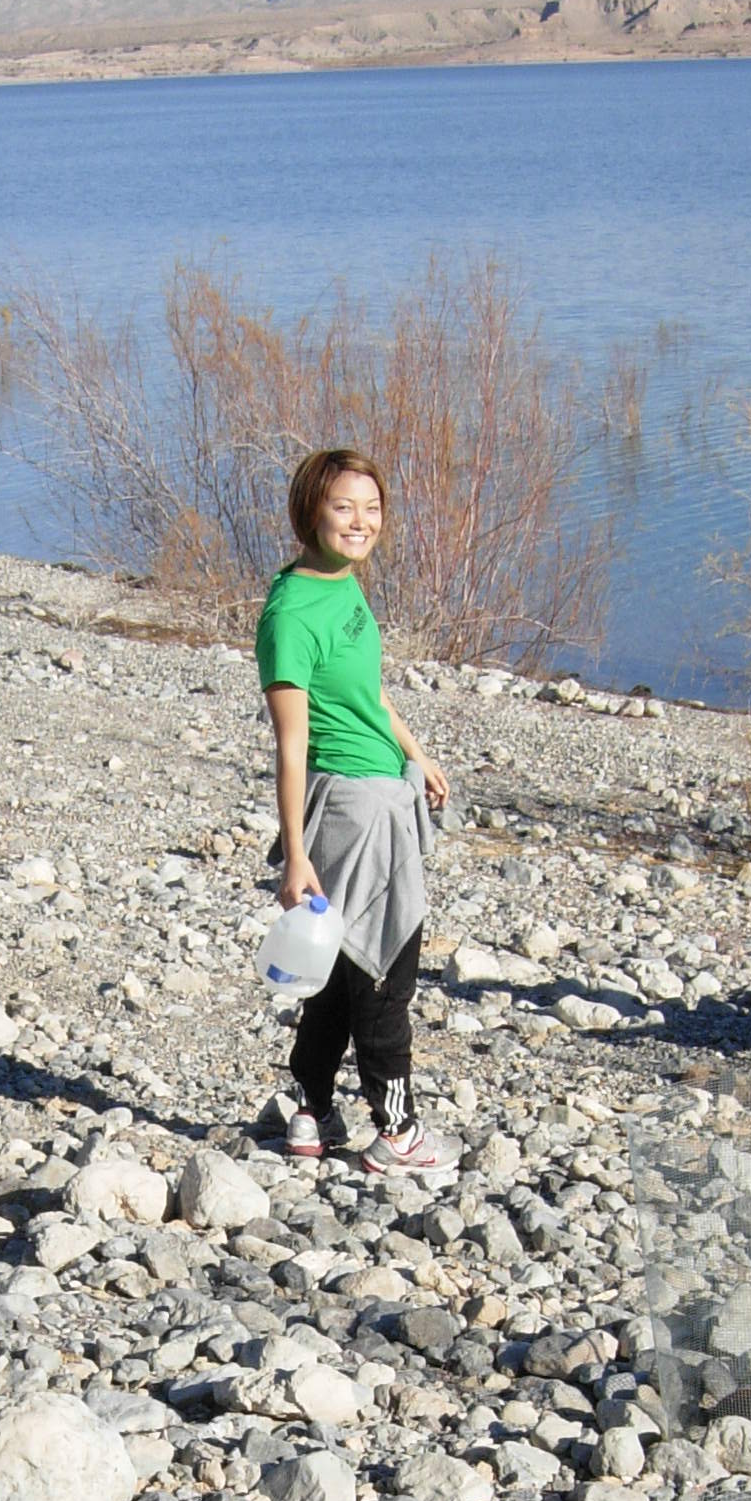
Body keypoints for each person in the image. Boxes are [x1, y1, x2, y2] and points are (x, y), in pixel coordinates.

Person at [256, 446, 454, 1180]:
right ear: (311, 510)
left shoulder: (342, 584)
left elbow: (366, 693)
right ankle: (396, 1131)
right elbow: (290, 744)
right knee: (384, 967)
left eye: (371, 509)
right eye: (344, 507)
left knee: (338, 967)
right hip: (352, 806)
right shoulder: (291, 613)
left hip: (380, 787)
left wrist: (416, 749)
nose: (361, 522)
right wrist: (296, 854)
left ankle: (310, 1111)